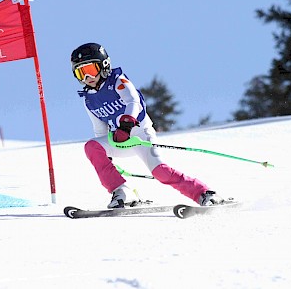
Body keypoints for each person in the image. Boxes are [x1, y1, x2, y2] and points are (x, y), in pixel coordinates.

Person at [71, 43, 224, 208]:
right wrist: (105, 156)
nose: (87, 78)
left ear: (104, 65)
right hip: (120, 140)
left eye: (90, 70)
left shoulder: (118, 81)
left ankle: (204, 194)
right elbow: (99, 129)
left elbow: (133, 101)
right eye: (81, 73)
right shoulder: (89, 100)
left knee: (161, 172)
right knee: (92, 147)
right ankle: (123, 192)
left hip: (140, 134)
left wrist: (126, 125)